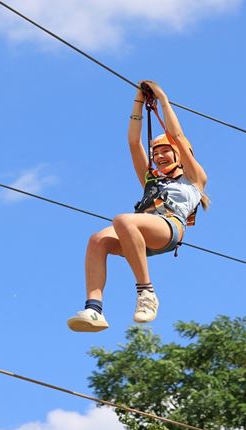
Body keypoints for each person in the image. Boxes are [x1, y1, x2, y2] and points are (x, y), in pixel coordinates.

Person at [67, 80, 209, 332]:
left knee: (123, 220)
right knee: (97, 240)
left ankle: (146, 293)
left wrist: (163, 101)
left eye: (165, 151)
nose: (159, 156)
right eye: (156, 153)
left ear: (180, 154)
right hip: (138, 235)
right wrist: (138, 102)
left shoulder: (195, 179)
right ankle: (94, 309)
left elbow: (177, 135)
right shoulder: (150, 179)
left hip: (168, 228)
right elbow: (134, 143)